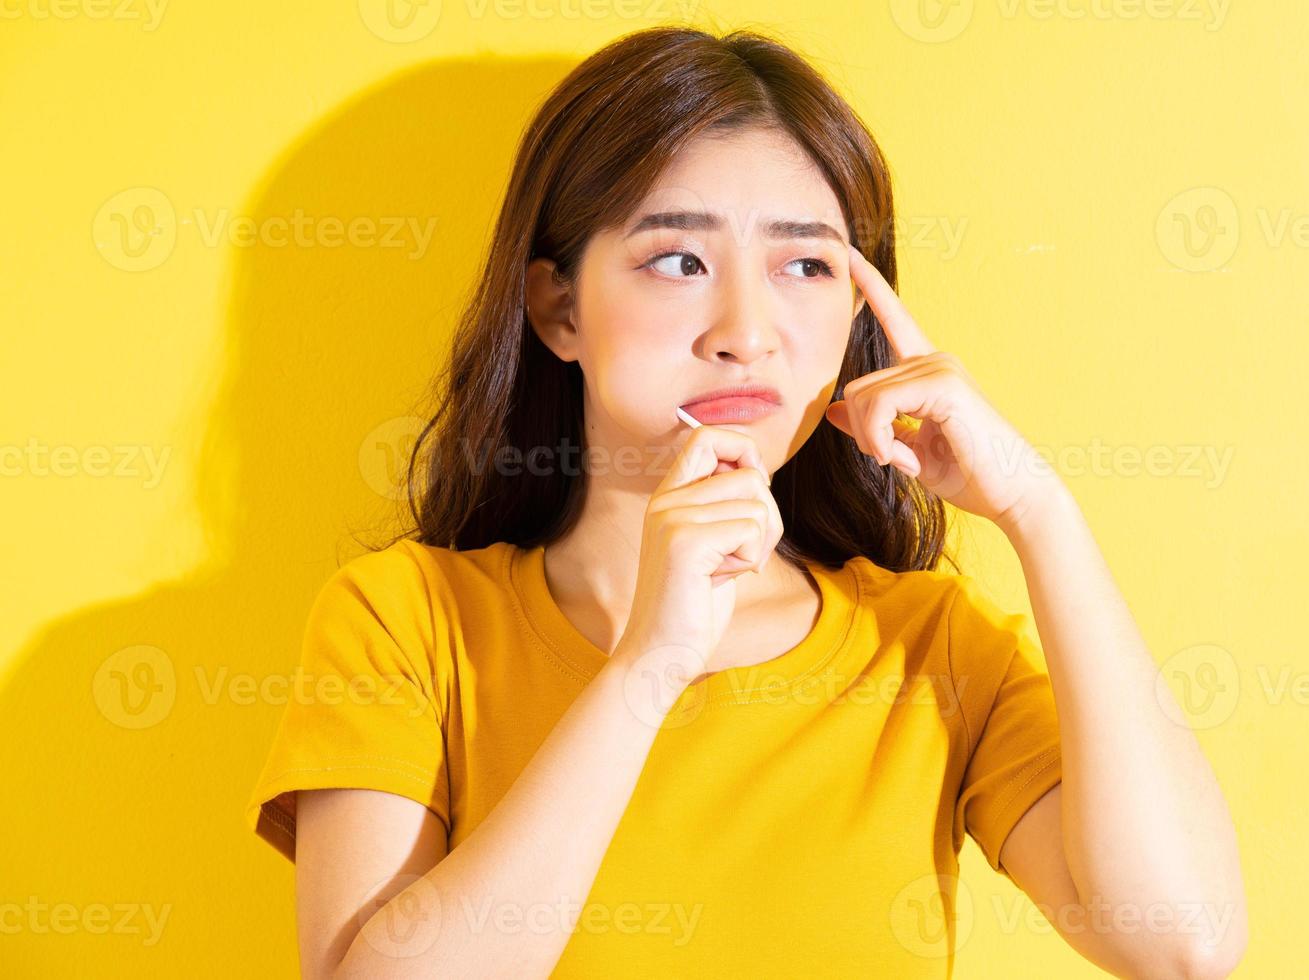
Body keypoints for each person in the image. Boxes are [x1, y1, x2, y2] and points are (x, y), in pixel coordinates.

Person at [245, 25, 1247, 979]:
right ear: (557, 307)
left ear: (858, 310)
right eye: (680, 260)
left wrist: (1038, 509)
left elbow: (1182, 945)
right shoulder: (404, 620)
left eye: (804, 264)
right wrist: (649, 666)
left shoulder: (930, 647)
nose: (748, 330)